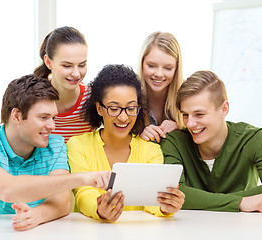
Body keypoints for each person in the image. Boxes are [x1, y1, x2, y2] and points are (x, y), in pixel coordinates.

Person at [0, 74, 111, 231]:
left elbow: (63, 200)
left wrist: (36, 215)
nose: (52, 126)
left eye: (53, 117)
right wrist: (83, 178)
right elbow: (7, 189)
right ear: (17, 116)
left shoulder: (55, 144)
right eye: (44, 117)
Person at [160, 70, 262, 212]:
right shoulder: (173, 141)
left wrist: (204, 200)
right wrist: (240, 202)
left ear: (224, 109)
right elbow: (172, 196)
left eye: (199, 114)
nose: (190, 123)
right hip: (187, 231)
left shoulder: (254, 139)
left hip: (241, 230)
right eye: (185, 115)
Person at [67, 64, 185, 222]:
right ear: (99, 108)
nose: (123, 118)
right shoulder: (78, 145)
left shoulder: (151, 151)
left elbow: (151, 201)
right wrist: (99, 209)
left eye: (131, 108)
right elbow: (83, 193)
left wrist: (165, 206)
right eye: (114, 108)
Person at [34, 26, 91, 143]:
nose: (76, 74)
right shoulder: (33, 100)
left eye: (82, 65)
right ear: (49, 62)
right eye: (67, 66)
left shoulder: (92, 98)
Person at [137, 31, 184, 143]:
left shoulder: (186, 98)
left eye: (168, 68)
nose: (159, 74)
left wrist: (181, 128)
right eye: (152, 66)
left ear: (176, 68)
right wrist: (138, 139)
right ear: (142, 63)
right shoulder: (129, 97)